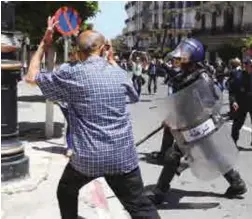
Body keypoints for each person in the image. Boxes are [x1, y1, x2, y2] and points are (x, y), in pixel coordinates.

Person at [24, 16, 160, 219]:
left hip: (87, 159)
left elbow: (30, 77)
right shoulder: (119, 73)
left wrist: (45, 42)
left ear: (77, 52)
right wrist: (112, 61)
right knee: (140, 208)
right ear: (104, 49)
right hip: (121, 157)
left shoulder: (70, 73)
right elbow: (133, 96)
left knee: (66, 190)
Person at [146, 38, 247, 205]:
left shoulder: (203, 76)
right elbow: (178, 81)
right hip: (188, 123)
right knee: (211, 154)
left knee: (174, 156)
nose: (181, 58)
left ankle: (159, 192)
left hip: (197, 124)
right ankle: (237, 183)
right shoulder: (189, 72)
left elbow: (211, 99)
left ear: (194, 57)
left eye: (185, 56)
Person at [229, 58, 252, 151]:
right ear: (245, 66)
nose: (251, 68)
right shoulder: (238, 76)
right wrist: (234, 101)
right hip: (241, 104)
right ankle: (233, 142)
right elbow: (232, 91)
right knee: (237, 124)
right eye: (249, 66)